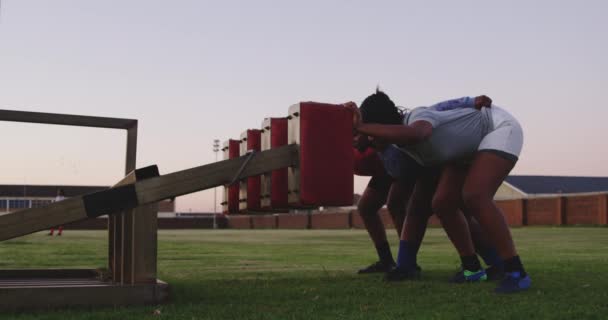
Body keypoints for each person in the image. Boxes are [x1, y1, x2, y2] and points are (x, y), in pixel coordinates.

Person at [349, 90, 530, 293]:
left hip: (496, 128)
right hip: (465, 151)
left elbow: (420, 133)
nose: (371, 139)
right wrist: (357, 133)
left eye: (372, 133)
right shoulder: (398, 148)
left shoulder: (417, 116)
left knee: (475, 196)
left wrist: (362, 126)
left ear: (382, 125)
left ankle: (517, 272)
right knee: (443, 203)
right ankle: (472, 270)